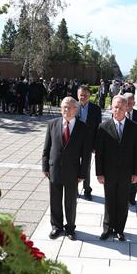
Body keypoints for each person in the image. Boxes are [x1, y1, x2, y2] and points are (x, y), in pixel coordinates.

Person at [42, 97, 90, 241]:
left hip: (72, 171)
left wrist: (83, 173)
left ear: (76, 110)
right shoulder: (52, 124)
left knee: (70, 202)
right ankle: (56, 226)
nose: (66, 110)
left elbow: (86, 155)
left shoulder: (83, 128)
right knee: (55, 200)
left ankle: (70, 228)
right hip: (54, 169)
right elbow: (46, 148)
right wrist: (45, 166)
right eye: (64, 107)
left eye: (69, 108)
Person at [95, 95, 137, 241]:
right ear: (111, 107)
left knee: (122, 202)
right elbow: (99, 153)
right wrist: (99, 173)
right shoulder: (103, 127)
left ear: (127, 108)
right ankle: (107, 228)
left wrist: (136, 172)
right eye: (115, 106)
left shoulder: (134, 127)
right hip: (108, 172)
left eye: (121, 107)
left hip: (126, 173)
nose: (118, 110)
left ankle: (120, 229)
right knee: (109, 201)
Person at [77, 85, 102, 201]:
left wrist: (96, 145)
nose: (83, 97)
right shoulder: (72, 106)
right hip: (74, 143)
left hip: (88, 143)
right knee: (73, 166)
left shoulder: (96, 109)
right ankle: (74, 189)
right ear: (78, 95)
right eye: (81, 95)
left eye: (85, 95)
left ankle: (87, 190)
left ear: (89, 96)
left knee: (86, 167)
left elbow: (98, 129)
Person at [124, 93, 137, 205]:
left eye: (131, 102)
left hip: (135, 150)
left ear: (134, 103)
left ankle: (132, 196)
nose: (128, 105)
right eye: (126, 102)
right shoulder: (119, 113)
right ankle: (124, 195)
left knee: (134, 174)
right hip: (122, 150)